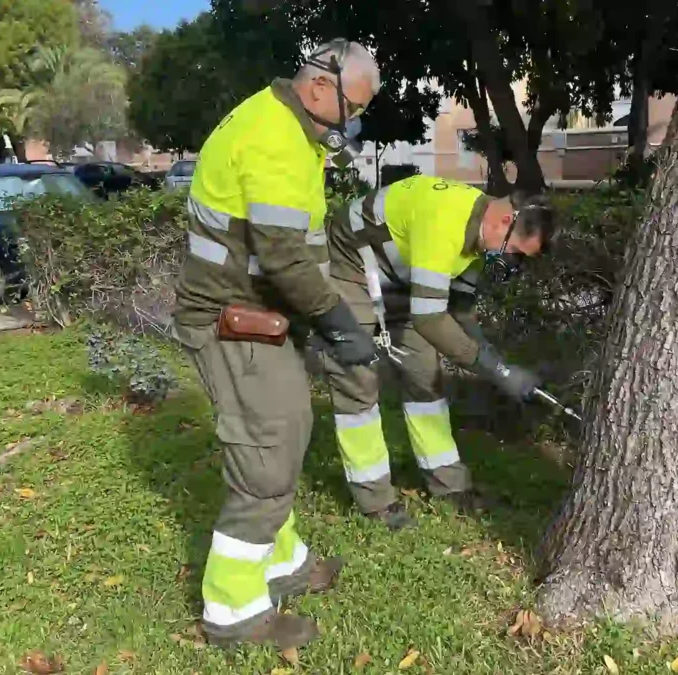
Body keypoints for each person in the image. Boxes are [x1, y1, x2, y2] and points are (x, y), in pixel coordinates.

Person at [171, 39, 381, 650]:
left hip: (261, 316)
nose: (352, 122)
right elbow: (285, 257)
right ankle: (235, 612)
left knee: (287, 431)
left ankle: (282, 565)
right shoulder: (276, 139)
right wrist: (339, 323)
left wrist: (319, 318)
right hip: (231, 322)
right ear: (321, 87)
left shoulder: (280, 123)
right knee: (265, 460)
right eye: (352, 108)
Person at [323, 175, 556, 529]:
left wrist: (497, 363)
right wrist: (495, 371)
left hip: (402, 277)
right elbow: (430, 319)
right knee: (357, 379)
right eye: (515, 253)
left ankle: (449, 486)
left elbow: (460, 312)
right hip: (352, 264)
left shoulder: (481, 239)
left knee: (425, 378)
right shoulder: (444, 221)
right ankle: (376, 501)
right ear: (505, 221)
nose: (511, 264)